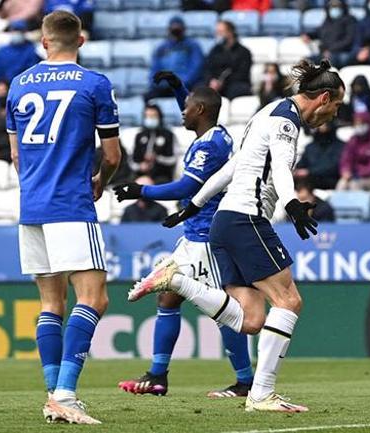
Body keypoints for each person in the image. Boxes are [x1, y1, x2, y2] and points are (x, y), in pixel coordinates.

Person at [130, 59, 345, 413]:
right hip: (248, 218)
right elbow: (279, 163)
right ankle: (261, 394)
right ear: (323, 97)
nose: (334, 114)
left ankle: (178, 282)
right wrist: (291, 202)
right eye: (336, 105)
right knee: (289, 302)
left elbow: (232, 167)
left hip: (225, 221)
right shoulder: (286, 120)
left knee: (251, 320)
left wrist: (193, 205)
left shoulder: (265, 113)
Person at [5, 11, 121, 424]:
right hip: (70, 204)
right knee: (94, 297)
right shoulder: (94, 84)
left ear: (44, 41)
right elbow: (111, 156)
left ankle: (53, 394)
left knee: (51, 303)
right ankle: (66, 395)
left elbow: (16, 156)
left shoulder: (19, 84)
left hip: (31, 206)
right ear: (82, 41)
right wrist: (99, 181)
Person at [112, 71, 254, 399]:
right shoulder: (213, 134)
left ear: (201, 111)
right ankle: (158, 375)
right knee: (168, 297)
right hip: (193, 234)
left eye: (187, 106)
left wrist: (141, 189)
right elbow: (196, 108)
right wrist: (180, 89)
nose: (182, 111)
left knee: (222, 311)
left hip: (207, 238)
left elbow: (187, 187)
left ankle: (245, 380)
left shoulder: (212, 146)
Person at [147, 16, 204, 99]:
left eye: (178, 30)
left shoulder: (192, 46)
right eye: (173, 30)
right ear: (168, 30)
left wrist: (178, 82)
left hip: (186, 86)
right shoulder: (161, 48)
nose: (175, 32)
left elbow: (195, 68)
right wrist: (163, 83)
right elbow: (154, 71)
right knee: (148, 97)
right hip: (165, 87)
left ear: (184, 29)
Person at [337, 112, 370, 191]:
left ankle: (356, 204)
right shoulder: (353, 140)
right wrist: (346, 171)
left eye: (361, 123)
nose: (358, 126)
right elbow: (346, 159)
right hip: (354, 176)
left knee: (355, 185)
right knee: (342, 184)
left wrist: (358, 174)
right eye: (356, 124)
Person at [204, 21, 253, 99]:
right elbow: (208, 68)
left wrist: (222, 83)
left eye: (220, 32)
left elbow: (243, 74)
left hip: (234, 83)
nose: (218, 35)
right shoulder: (215, 50)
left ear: (230, 32)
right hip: (215, 83)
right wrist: (211, 80)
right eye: (217, 32)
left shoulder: (244, 52)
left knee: (235, 89)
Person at [302, 0, 357, 69]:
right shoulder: (327, 21)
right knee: (306, 61)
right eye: (332, 7)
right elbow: (319, 32)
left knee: (330, 60)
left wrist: (331, 50)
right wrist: (308, 35)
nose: (334, 9)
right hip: (326, 53)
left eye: (337, 7)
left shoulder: (350, 20)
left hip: (342, 53)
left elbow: (348, 40)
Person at [132, 105, 177, 184]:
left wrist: (157, 158)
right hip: (140, 175)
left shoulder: (168, 135)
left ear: (159, 117)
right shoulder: (139, 136)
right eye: (148, 116)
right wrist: (140, 166)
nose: (150, 119)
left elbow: (173, 159)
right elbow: (132, 161)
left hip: (162, 175)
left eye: (153, 116)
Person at [294, 121, 344, 190]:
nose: (321, 127)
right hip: (308, 181)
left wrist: (309, 172)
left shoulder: (340, 146)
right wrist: (296, 171)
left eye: (324, 125)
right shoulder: (310, 147)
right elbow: (301, 164)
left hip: (329, 181)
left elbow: (334, 167)